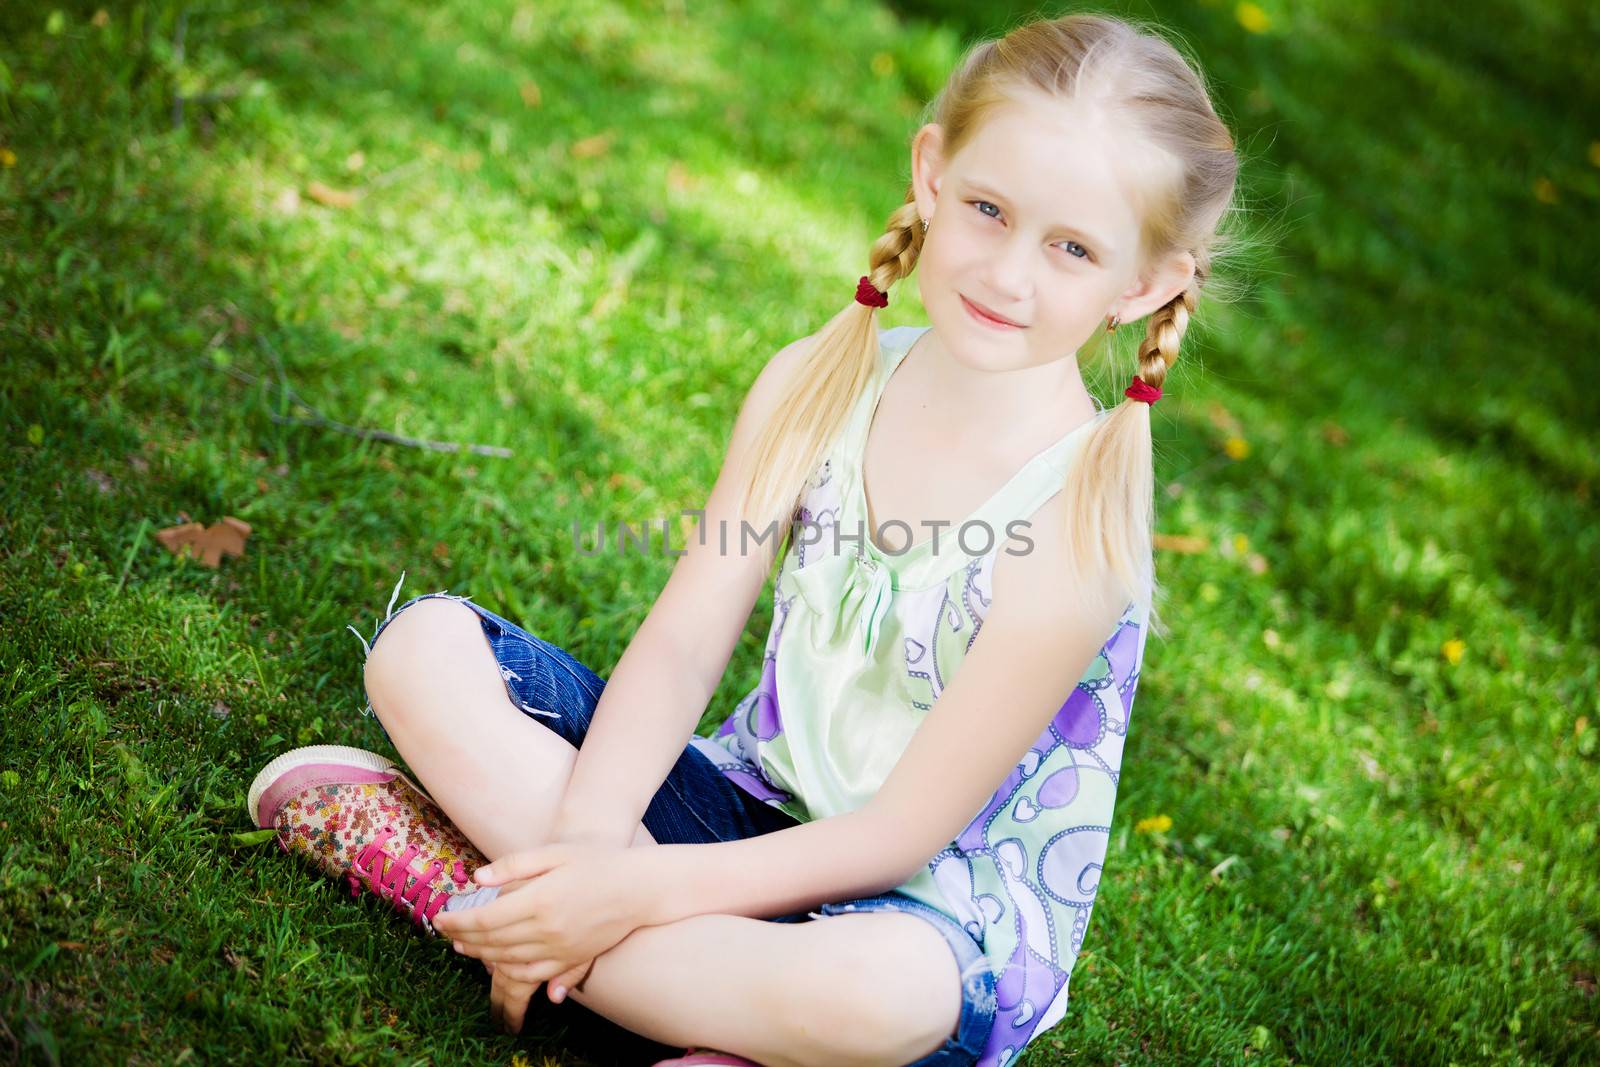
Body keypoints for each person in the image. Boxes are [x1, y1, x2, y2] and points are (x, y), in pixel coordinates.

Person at [245, 11, 1240, 1067]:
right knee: (423, 652)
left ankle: (478, 899)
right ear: (932, 171)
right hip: (740, 812)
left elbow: (895, 837)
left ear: (1142, 286)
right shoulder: (818, 384)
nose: (1007, 274)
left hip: (919, 921)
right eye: (988, 209)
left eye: (1071, 248)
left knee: (873, 1001)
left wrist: (621, 889)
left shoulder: (1076, 528)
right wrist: (589, 852)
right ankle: (661, 990)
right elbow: (680, 645)